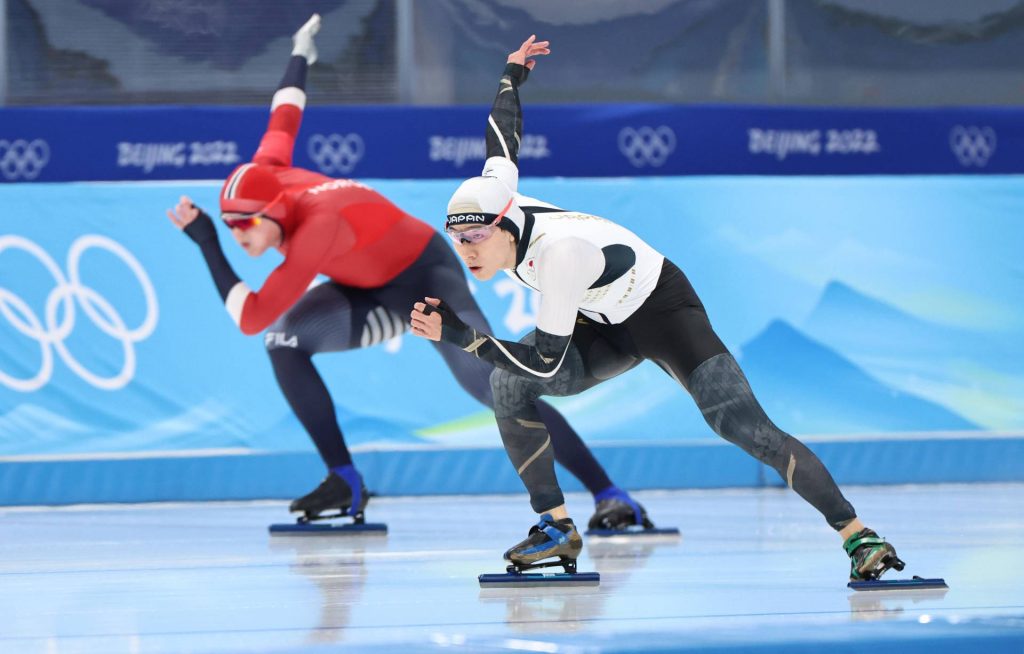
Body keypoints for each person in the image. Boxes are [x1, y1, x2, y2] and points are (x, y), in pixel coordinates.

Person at [410, 35, 904, 581]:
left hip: (662, 311)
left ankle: (859, 535)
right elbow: (502, 140)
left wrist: (459, 336)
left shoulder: (560, 257)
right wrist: (511, 76)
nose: (467, 253)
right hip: (601, 317)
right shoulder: (494, 195)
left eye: (475, 241)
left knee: (746, 428)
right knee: (507, 386)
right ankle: (556, 528)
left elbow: (549, 365)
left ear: (503, 225)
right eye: (458, 242)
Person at [166, 15, 655, 530]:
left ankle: (610, 493)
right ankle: (344, 479)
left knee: (497, 387)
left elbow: (250, 315)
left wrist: (207, 243)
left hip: (424, 280)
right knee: (284, 343)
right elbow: (284, 115)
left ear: (274, 213)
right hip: (364, 284)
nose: (238, 233)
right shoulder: (269, 175)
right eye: (228, 224)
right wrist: (299, 54)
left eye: (243, 224)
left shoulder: (315, 229)